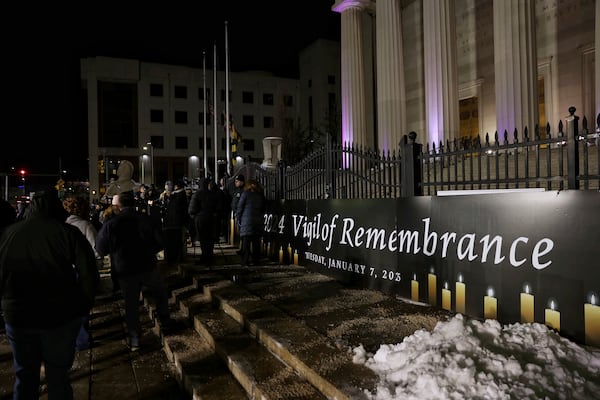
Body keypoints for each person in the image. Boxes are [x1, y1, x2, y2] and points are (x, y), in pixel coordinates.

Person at [0, 188, 99, 399]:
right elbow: (89, 273)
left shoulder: (9, 233)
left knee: (24, 375)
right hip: (58, 315)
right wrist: (82, 306)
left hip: (19, 315)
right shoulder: (68, 233)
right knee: (58, 376)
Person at [95, 191, 173, 351]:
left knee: (131, 304)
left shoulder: (112, 223)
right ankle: (165, 322)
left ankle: (135, 339)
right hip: (147, 264)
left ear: (119, 205)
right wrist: (149, 251)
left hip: (125, 268)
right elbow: (160, 241)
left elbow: (101, 248)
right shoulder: (146, 219)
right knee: (159, 293)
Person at [63, 196, 102, 351]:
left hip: (65, 271)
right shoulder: (86, 225)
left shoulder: (62, 226)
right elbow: (97, 249)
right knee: (83, 305)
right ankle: (82, 340)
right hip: (82, 271)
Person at [188, 178, 221, 266]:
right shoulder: (213, 194)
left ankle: (204, 257)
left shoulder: (197, 194)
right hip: (211, 218)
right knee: (210, 239)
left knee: (203, 239)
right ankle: (209, 256)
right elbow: (218, 206)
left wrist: (194, 215)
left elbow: (192, 209)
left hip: (201, 219)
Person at [236, 179, 266, 266]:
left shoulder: (245, 194)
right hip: (257, 222)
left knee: (246, 243)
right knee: (256, 243)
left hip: (246, 222)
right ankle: (256, 260)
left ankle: (245, 261)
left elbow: (240, 207)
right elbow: (263, 208)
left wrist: (238, 218)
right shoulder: (260, 195)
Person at [161, 179, 189, 265]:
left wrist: (170, 196)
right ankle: (172, 257)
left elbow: (176, 207)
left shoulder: (179, 195)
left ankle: (177, 258)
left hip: (176, 222)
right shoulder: (172, 195)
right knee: (172, 242)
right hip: (170, 222)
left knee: (177, 242)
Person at [230, 174, 245, 255]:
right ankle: (241, 248)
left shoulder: (243, 191)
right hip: (238, 213)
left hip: (241, 215)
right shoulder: (237, 190)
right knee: (240, 233)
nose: (235, 182)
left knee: (243, 233)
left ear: (242, 182)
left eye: (237, 181)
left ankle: (243, 249)